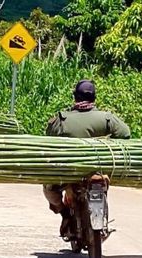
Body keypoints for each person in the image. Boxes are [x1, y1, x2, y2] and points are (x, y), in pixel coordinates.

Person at [43, 79, 130, 237]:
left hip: (69, 172)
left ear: (75, 97)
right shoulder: (106, 118)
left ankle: (64, 214)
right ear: (94, 98)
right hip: (98, 169)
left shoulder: (62, 119)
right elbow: (125, 134)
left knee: (49, 189)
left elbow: (49, 138)